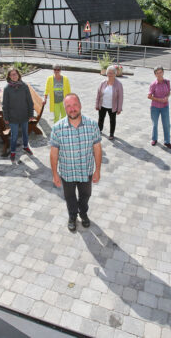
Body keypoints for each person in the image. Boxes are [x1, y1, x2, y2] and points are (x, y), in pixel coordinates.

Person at [50, 93, 102, 232]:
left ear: (80, 106)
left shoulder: (92, 125)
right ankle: (72, 216)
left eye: (75, 105)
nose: (72, 109)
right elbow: (54, 153)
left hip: (86, 171)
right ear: (65, 109)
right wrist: (55, 174)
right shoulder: (57, 128)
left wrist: (97, 170)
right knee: (69, 196)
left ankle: (83, 212)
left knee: (86, 195)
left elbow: (97, 148)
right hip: (67, 172)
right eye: (68, 106)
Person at [3, 68, 35, 161]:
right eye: (12, 74)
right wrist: (6, 117)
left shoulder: (24, 86)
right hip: (13, 117)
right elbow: (5, 104)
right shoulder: (7, 88)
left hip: (24, 115)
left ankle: (25, 146)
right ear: (9, 76)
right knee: (14, 136)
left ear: (18, 75)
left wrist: (31, 114)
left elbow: (29, 101)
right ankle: (13, 151)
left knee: (25, 133)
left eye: (15, 74)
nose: (14, 76)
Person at [148, 66, 171, 149]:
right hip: (155, 107)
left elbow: (169, 92)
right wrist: (159, 99)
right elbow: (149, 96)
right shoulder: (153, 84)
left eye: (160, 72)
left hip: (165, 106)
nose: (159, 74)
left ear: (163, 72)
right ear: (155, 74)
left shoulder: (167, 82)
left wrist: (167, 97)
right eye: (157, 73)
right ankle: (154, 139)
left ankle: (167, 141)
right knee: (155, 124)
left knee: (167, 124)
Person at [95, 65, 123, 140]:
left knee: (112, 120)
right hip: (102, 105)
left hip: (112, 106)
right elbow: (98, 94)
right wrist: (97, 104)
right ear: (106, 73)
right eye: (109, 73)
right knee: (100, 119)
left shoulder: (119, 84)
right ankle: (99, 130)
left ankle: (111, 133)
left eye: (112, 73)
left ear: (115, 74)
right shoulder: (102, 83)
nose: (110, 75)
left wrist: (119, 108)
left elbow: (120, 97)